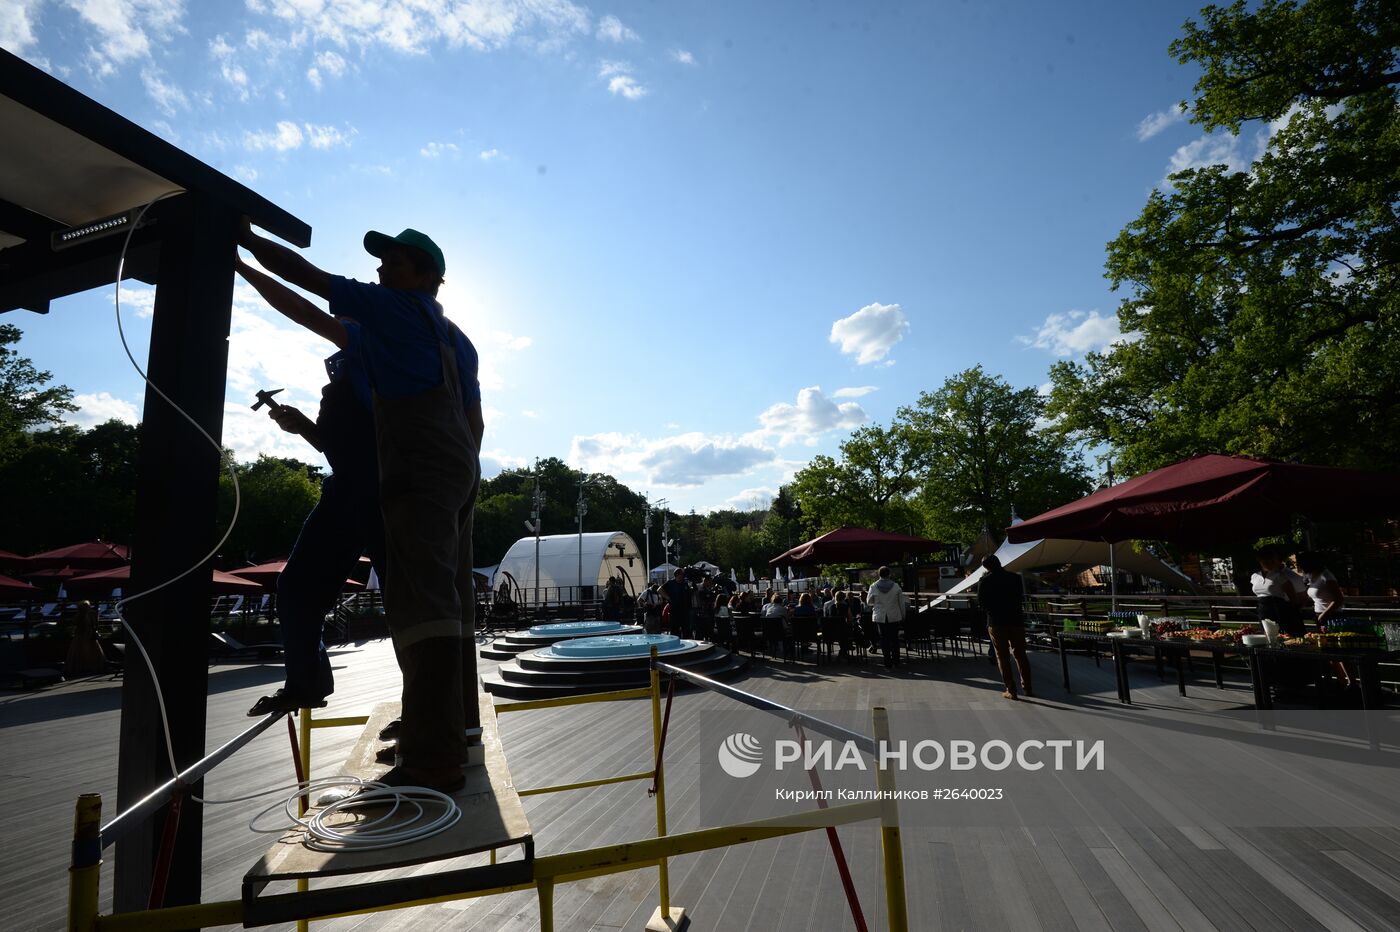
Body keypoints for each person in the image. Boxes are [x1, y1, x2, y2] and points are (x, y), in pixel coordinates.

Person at [239, 221, 483, 793]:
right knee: (447, 604)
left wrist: (244, 246)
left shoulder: (394, 311)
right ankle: (452, 725)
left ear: (428, 278)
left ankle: (434, 758)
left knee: (422, 608)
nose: (380, 269)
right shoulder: (454, 339)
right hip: (456, 470)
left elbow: (306, 287)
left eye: (395, 262)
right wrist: (461, 472)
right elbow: (474, 418)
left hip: (414, 472)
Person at [236, 258, 388, 717]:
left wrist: (242, 264)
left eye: (343, 321)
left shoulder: (375, 356)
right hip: (348, 491)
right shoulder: (339, 384)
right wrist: (302, 426)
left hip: (386, 494)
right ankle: (306, 681)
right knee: (297, 586)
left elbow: (303, 310)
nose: (336, 326)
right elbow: (342, 450)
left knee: (405, 601)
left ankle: (427, 708)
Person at [977, 555, 1033, 700]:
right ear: (999, 562)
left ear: (986, 567)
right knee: (1021, 655)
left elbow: (981, 602)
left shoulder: (985, 581)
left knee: (1002, 657)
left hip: (996, 621)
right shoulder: (1014, 578)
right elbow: (1019, 596)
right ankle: (1027, 688)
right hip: (1016, 620)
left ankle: (1011, 690)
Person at [1297, 551, 1351, 689]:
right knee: (1328, 652)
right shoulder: (1311, 576)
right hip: (1320, 616)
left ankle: (1352, 682)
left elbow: (1339, 599)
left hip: (1333, 617)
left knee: (1340, 652)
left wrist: (1324, 614)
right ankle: (1341, 682)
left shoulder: (1326, 576)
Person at [1251, 545, 1305, 637]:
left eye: (1271, 560)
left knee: (1282, 636)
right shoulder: (1255, 576)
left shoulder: (1280, 576)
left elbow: (1293, 599)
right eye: (1265, 560)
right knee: (1267, 635)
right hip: (1263, 610)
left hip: (1278, 610)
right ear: (1260, 561)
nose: (1268, 563)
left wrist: (1292, 613)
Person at [867, 566, 906, 668]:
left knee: (884, 638)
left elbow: (869, 602)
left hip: (880, 616)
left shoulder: (873, 586)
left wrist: (877, 602)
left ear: (879, 574)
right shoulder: (896, 586)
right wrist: (903, 615)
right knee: (894, 638)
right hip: (894, 615)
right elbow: (901, 603)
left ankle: (887, 661)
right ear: (889, 574)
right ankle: (896, 660)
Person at [661, 569, 692, 639]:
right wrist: (668, 598)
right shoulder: (670, 583)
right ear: (677, 575)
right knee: (675, 632)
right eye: (681, 574)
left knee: (686, 631)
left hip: (684, 611)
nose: (683, 576)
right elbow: (659, 589)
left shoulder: (685, 583)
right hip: (674, 611)